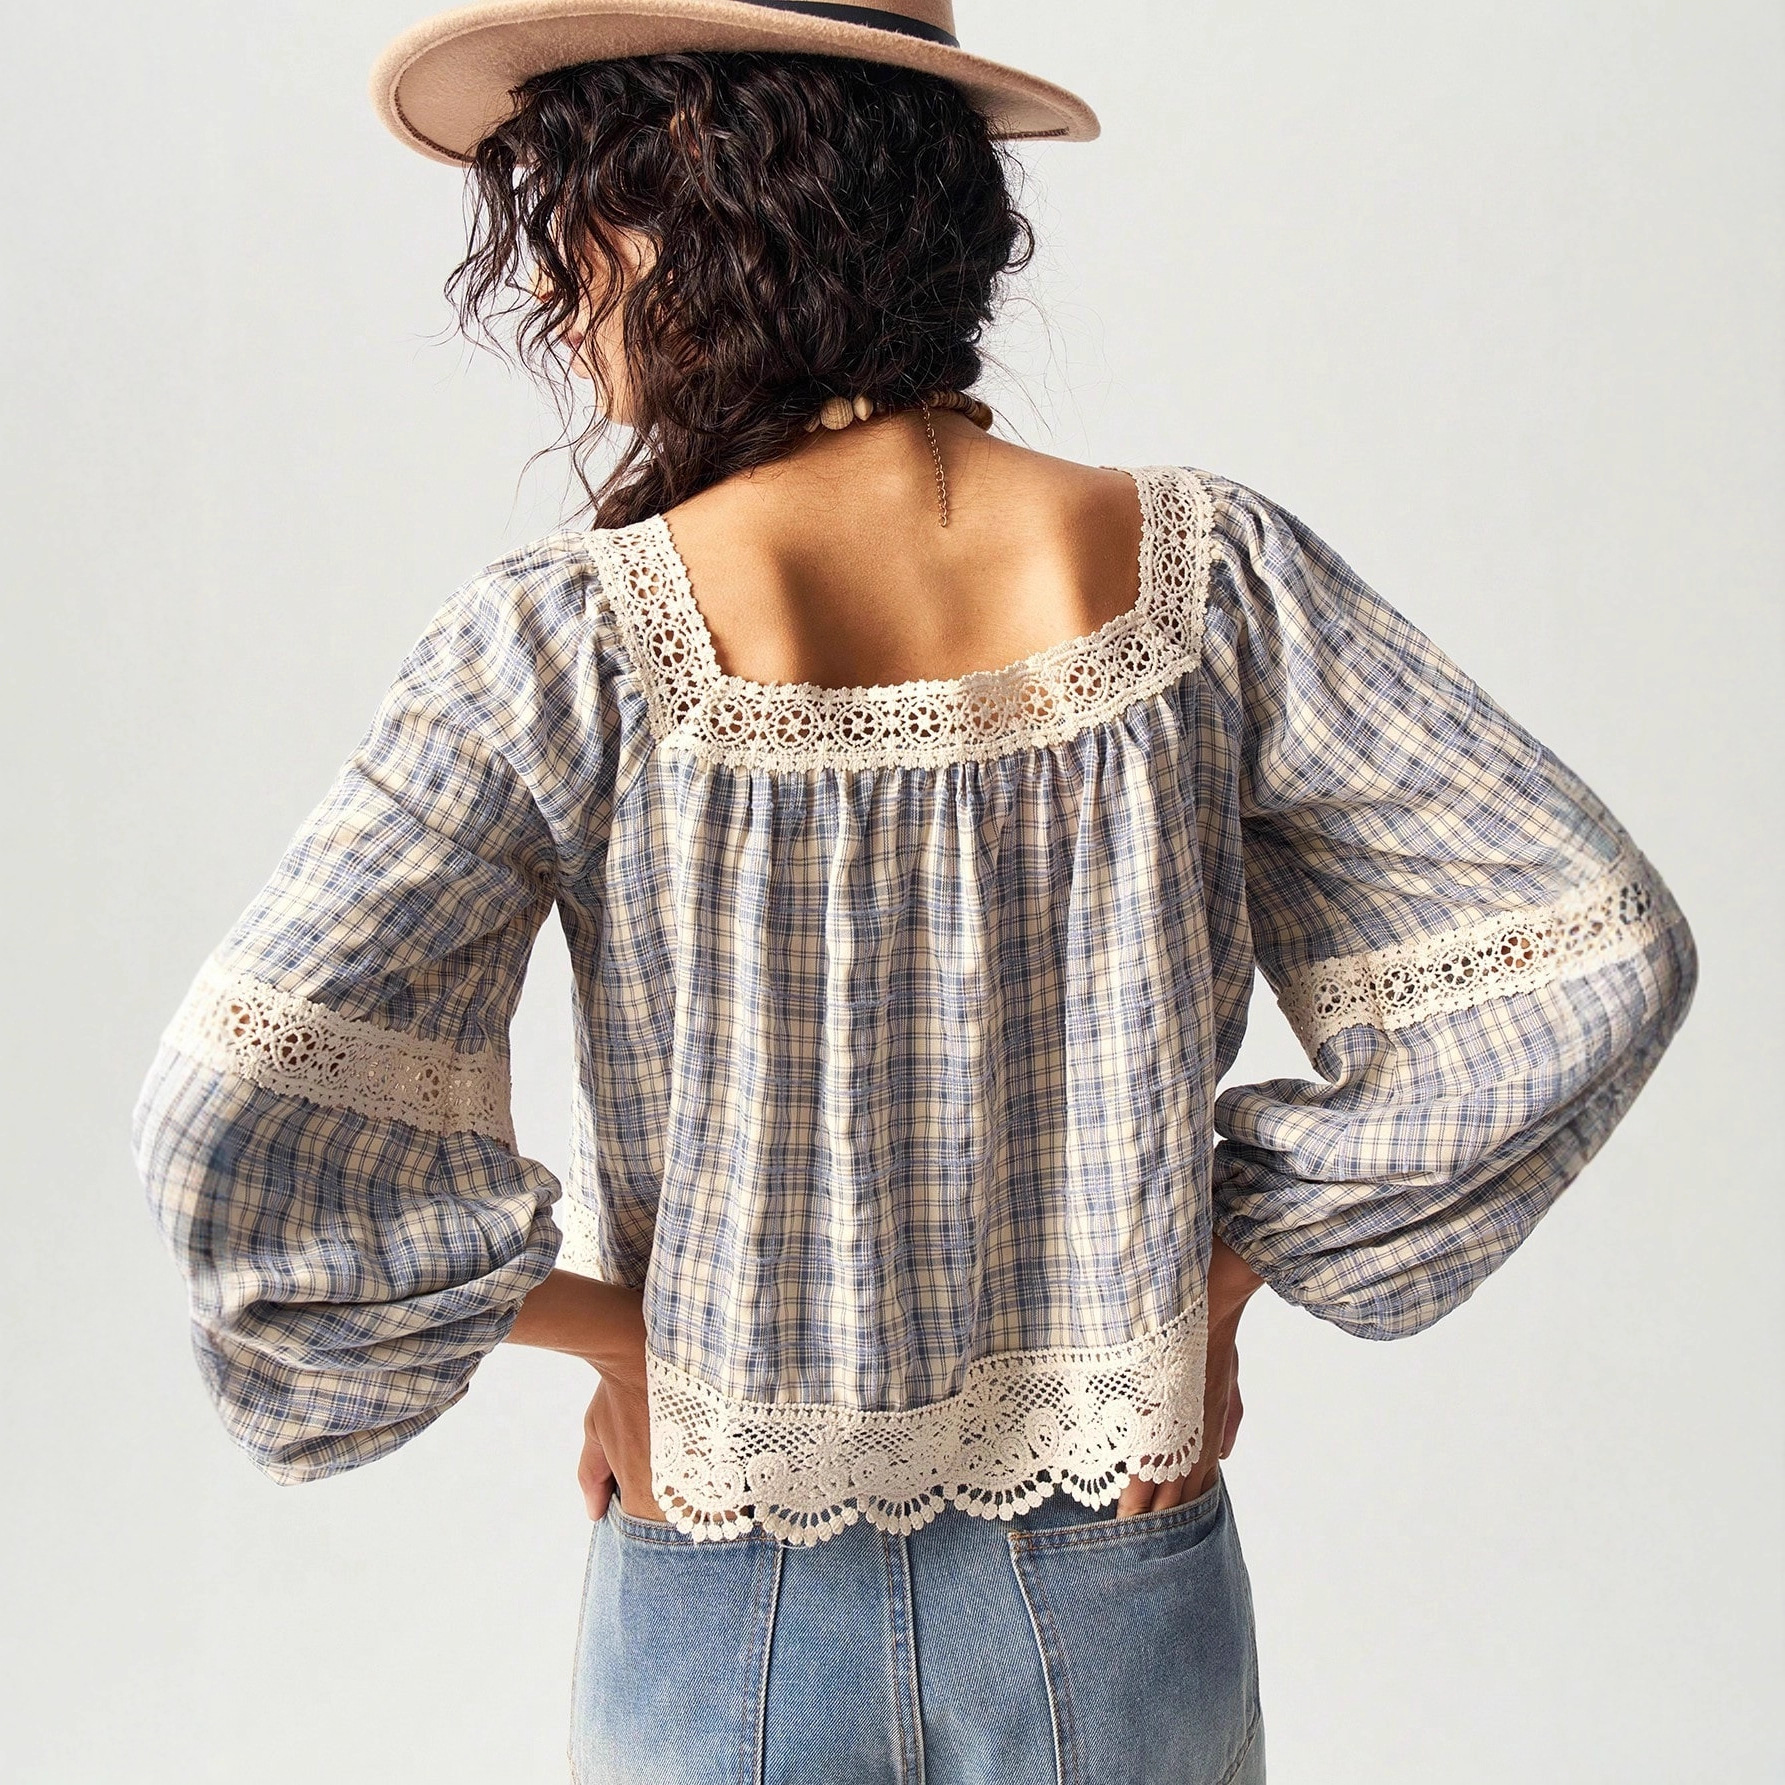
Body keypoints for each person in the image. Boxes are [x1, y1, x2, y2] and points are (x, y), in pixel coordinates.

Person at [130, 5, 1698, 1781]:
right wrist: (1212, 1282)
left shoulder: (559, 644)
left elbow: (234, 1104)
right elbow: (1589, 950)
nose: (555, 292)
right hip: (1117, 1551)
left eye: (581, 213)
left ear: (715, 196)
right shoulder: (1209, 577)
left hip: (726, 1577)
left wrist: (622, 1345)